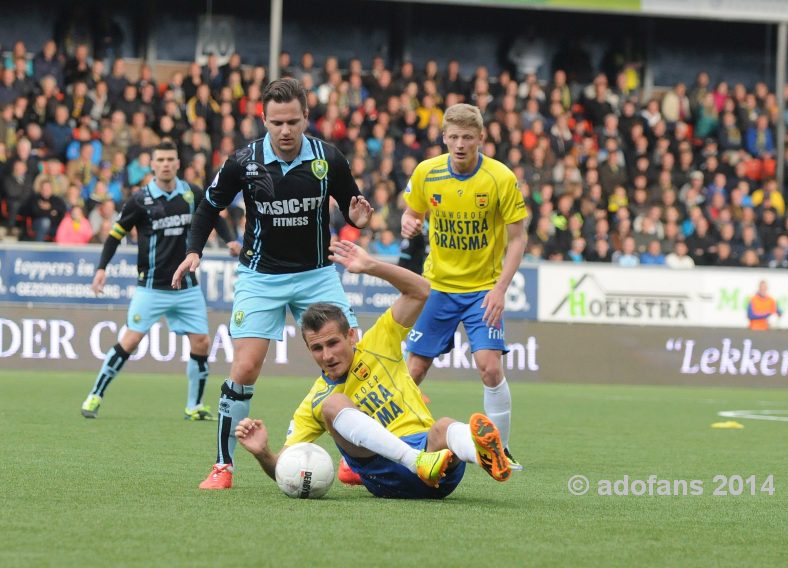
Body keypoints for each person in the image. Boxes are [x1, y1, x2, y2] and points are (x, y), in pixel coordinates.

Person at [171, 78, 373, 490]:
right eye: (277, 122)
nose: (285, 131)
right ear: (263, 118)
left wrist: (359, 219)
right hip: (260, 276)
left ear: (305, 119)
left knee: (355, 357)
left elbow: (352, 207)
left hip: (317, 273)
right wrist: (194, 250)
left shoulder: (328, 158)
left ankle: (358, 457)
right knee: (244, 367)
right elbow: (208, 207)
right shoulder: (242, 161)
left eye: (293, 122)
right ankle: (223, 466)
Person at [234, 240, 512, 498]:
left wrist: (371, 266)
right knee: (333, 405)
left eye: (333, 343)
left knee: (444, 427)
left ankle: (483, 455)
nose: (327, 355)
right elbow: (286, 465)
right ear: (309, 350)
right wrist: (263, 453)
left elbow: (421, 291)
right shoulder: (315, 401)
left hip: (440, 470)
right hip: (390, 478)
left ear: (351, 336)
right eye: (317, 348)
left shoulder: (379, 341)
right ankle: (420, 461)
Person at [400, 103, 528, 470]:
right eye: (453, 137)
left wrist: (500, 289)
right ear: (444, 138)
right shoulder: (427, 172)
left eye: (467, 137)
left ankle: (499, 451)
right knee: (414, 371)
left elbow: (517, 239)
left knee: (489, 367)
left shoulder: (500, 178)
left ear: (480, 139)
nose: (459, 144)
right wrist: (410, 222)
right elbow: (413, 211)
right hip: (437, 287)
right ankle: (401, 441)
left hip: (482, 289)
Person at [80, 140, 239, 420]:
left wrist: (231, 241)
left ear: (178, 164)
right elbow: (116, 235)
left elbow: (214, 215)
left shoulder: (191, 193)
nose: (165, 164)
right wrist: (102, 267)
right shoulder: (140, 200)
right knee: (129, 341)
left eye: (170, 159)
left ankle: (194, 406)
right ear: (152, 165)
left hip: (187, 287)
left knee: (201, 342)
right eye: (160, 160)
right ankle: (95, 394)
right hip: (152, 287)